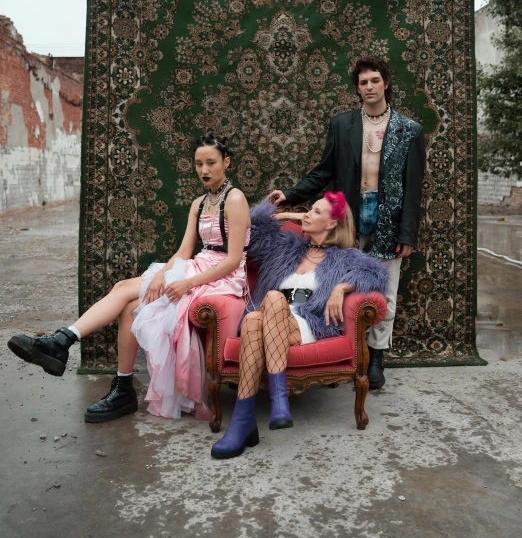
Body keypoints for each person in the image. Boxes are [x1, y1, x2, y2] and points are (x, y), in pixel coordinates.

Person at [8, 135, 251, 423]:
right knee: (128, 304)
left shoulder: (235, 199)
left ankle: (62, 341)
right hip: (198, 265)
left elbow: (234, 260)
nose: (204, 170)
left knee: (123, 288)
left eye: (211, 163)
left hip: (224, 277)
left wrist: (186, 283)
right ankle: (122, 387)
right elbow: (185, 251)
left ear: (227, 162)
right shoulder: (199, 203)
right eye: (199, 164)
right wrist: (161, 275)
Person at [268, 57, 425, 390]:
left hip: (390, 218)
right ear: (357, 87)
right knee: (334, 284)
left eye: (375, 80)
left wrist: (407, 232)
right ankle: (337, 354)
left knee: (386, 290)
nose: (369, 87)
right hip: (347, 219)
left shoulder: (409, 130)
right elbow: (323, 172)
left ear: (386, 84)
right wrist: (290, 195)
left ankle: (377, 356)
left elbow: (414, 188)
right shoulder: (343, 125)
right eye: (363, 82)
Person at [211, 192, 389, 459]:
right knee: (253, 318)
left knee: (267, 303)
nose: (307, 214)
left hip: (305, 324)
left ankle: (250, 416)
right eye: (309, 210)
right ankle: (261, 412)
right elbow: (249, 228)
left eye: (317, 212)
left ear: (331, 224)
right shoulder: (284, 247)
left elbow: (377, 274)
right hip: (268, 320)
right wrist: (285, 215)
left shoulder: (346, 258)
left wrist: (343, 286)